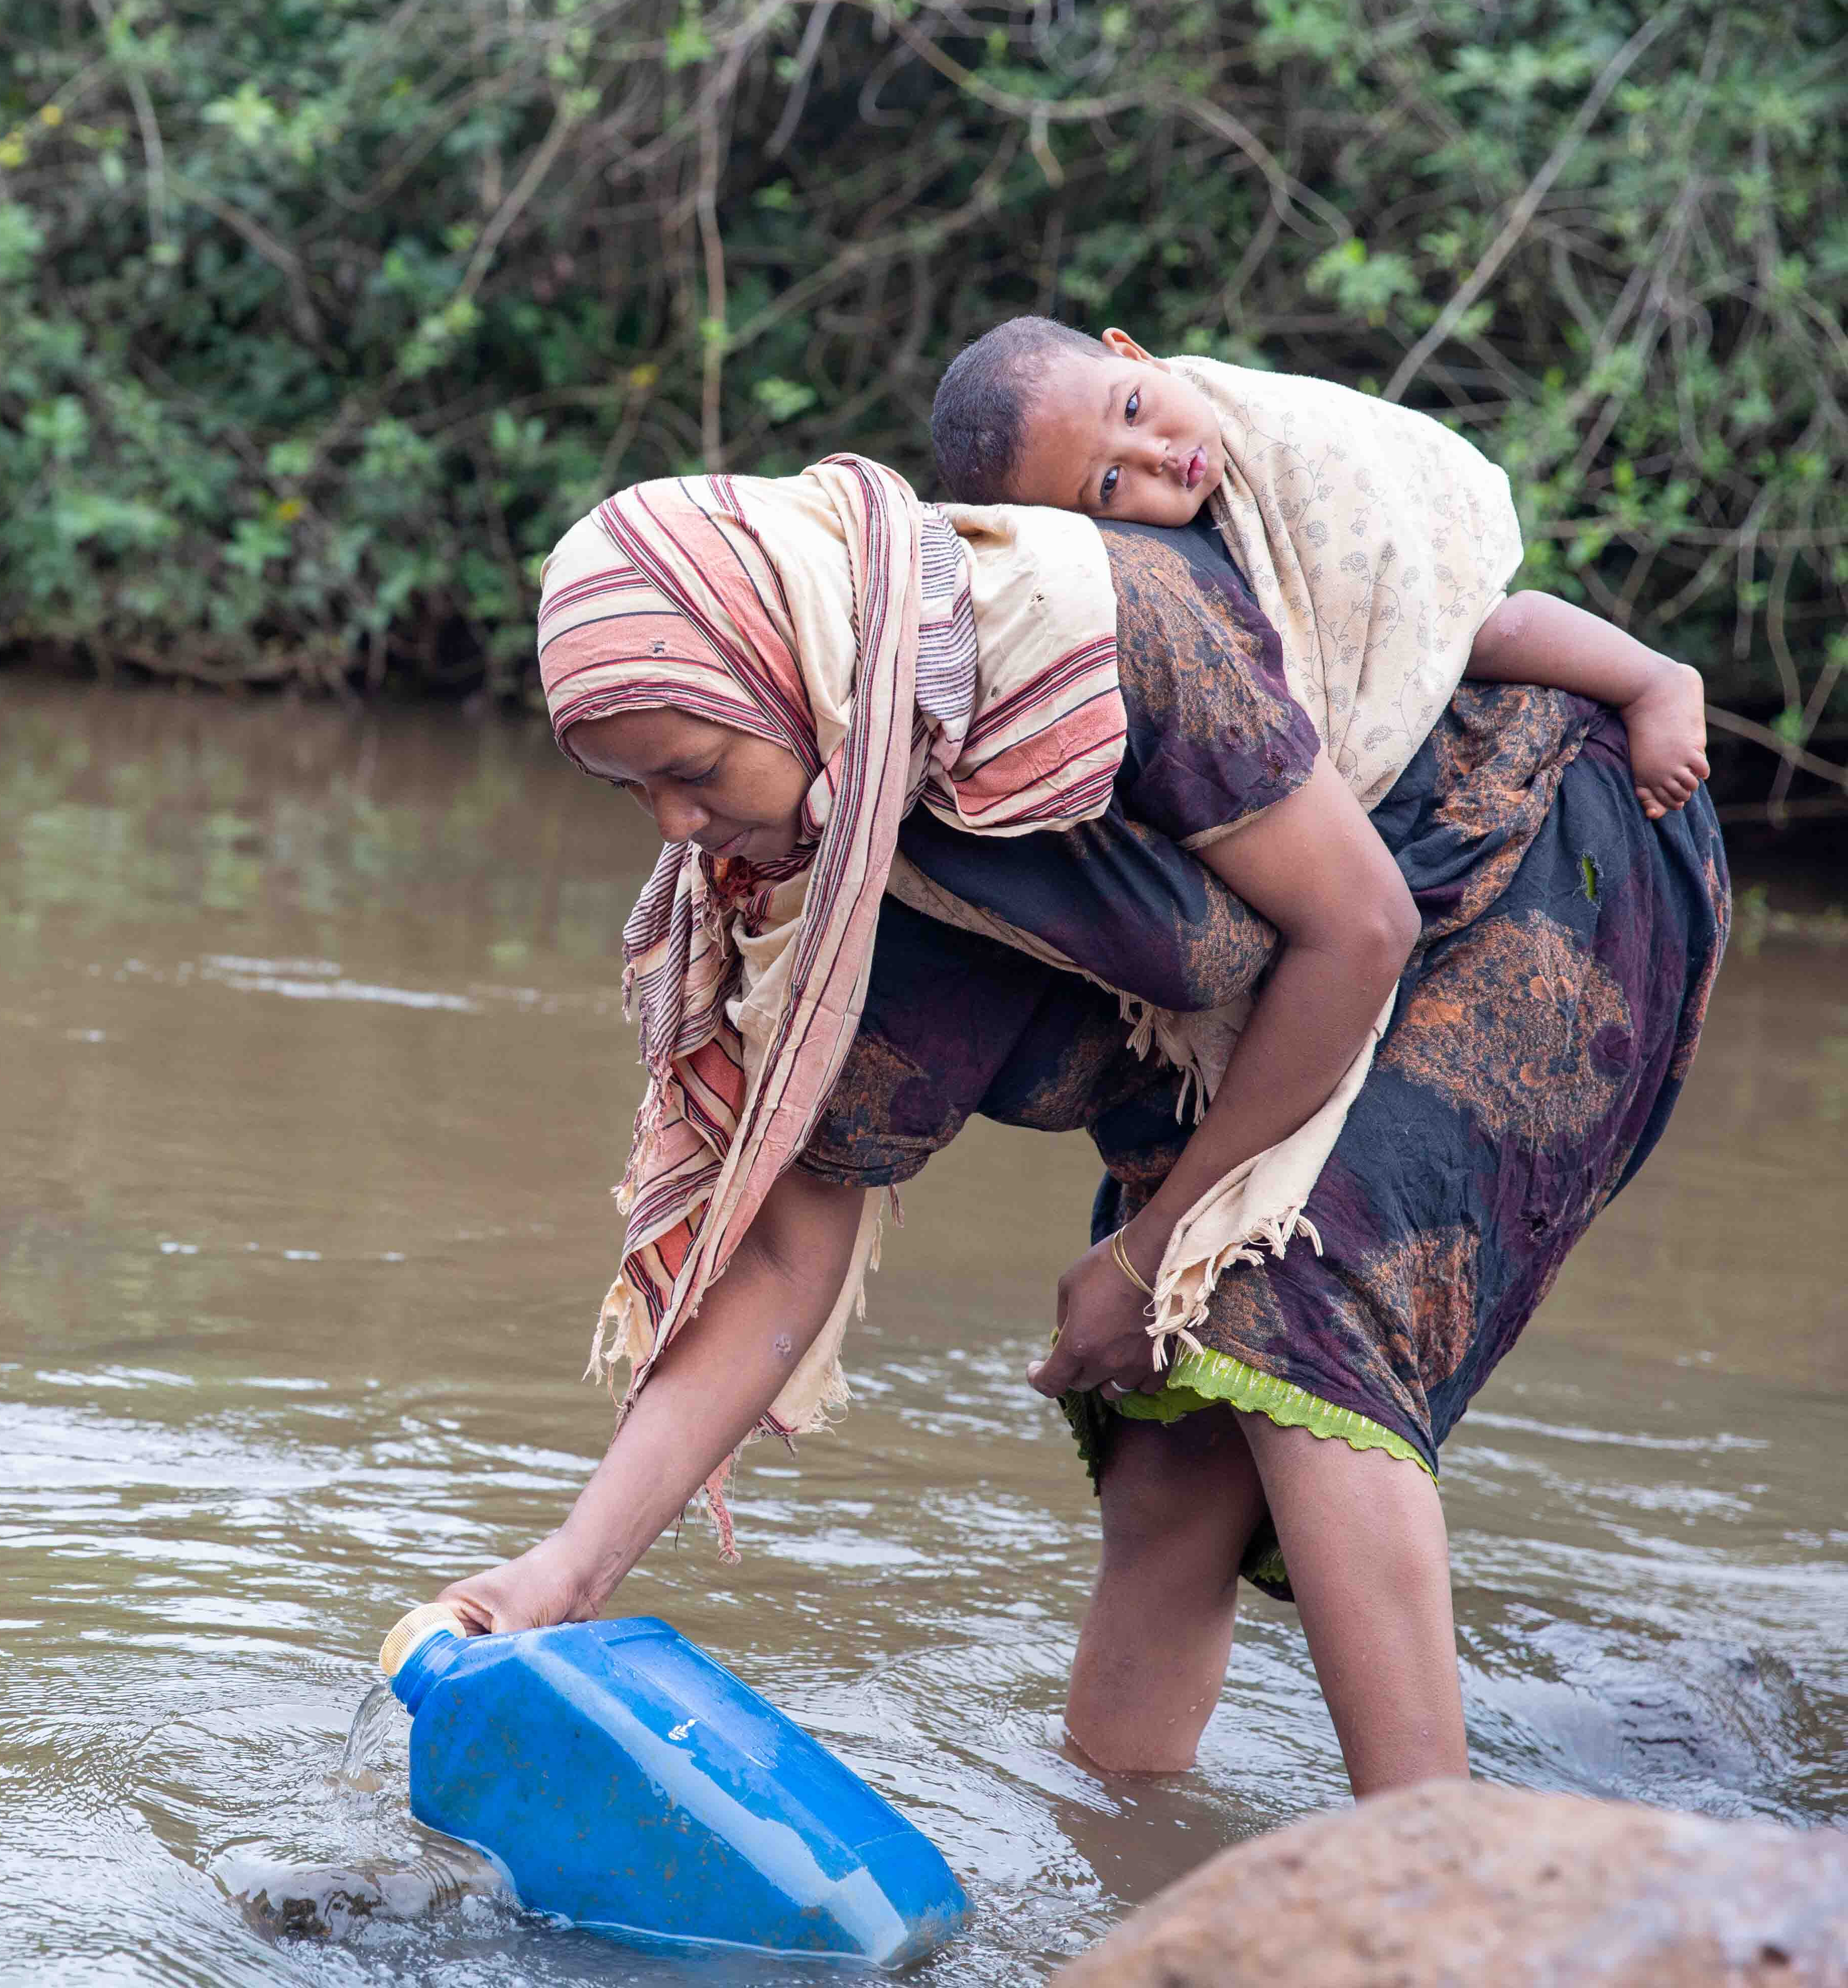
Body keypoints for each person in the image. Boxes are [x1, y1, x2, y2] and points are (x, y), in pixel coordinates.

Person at [436, 459, 1727, 1798]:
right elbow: (779, 1267)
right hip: (1261, 1012)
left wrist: (1145, 1250)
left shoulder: (1102, 632)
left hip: (1520, 863)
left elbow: (1360, 927)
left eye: (691, 770)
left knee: (1283, 1309)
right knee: (1167, 1415)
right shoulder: (833, 884)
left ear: (790, 668)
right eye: (630, 793)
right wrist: (564, 1572)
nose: (675, 827)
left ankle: (1430, 1868)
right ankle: (1131, 1843)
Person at [927, 317, 1711, 819]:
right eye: (1109, 483)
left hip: (1398, 555)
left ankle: (1655, 679)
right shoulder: (1140, 563)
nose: (1161, 456)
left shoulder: (1271, 424)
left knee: (1491, 628)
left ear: (1131, 353)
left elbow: (1353, 487)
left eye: (1132, 409)